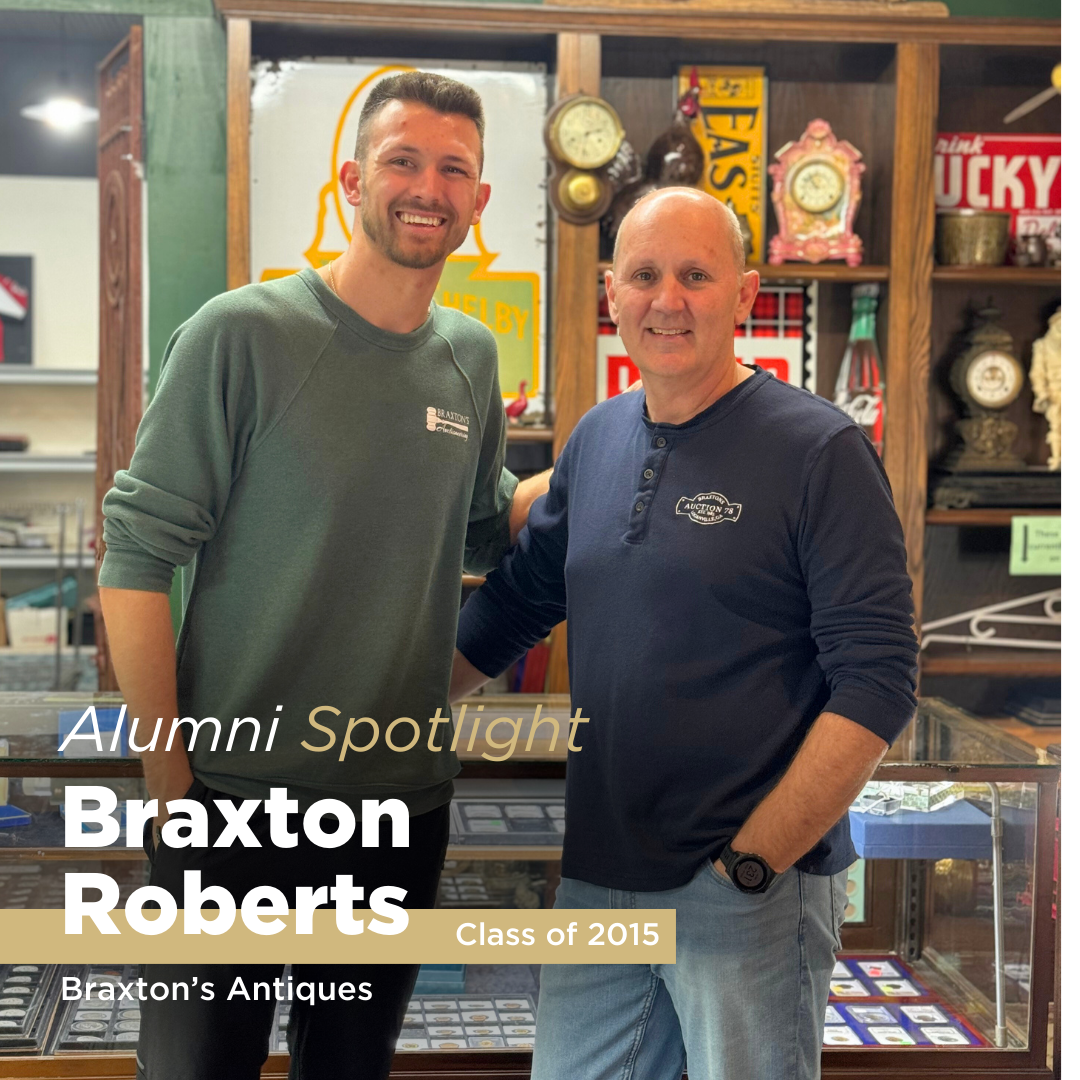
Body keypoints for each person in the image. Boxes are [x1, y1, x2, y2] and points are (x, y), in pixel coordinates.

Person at [98, 72, 549, 1080]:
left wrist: (593, 478)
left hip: (398, 807)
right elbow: (133, 563)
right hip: (232, 797)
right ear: (352, 178)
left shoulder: (471, 357)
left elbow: (476, 530)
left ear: (479, 204)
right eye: (403, 159)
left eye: (454, 169)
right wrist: (172, 784)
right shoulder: (240, 335)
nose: (427, 186)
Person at [450, 187, 919, 1080]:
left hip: (745, 887)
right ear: (612, 294)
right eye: (645, 275)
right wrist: (386, 715)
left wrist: (752, 862)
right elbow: (517, 603)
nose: (668, 299)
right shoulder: (596, 440)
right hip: (601, 872)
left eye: (696, 276)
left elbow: (878, 680)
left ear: (744, 296)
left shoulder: (818, 451)